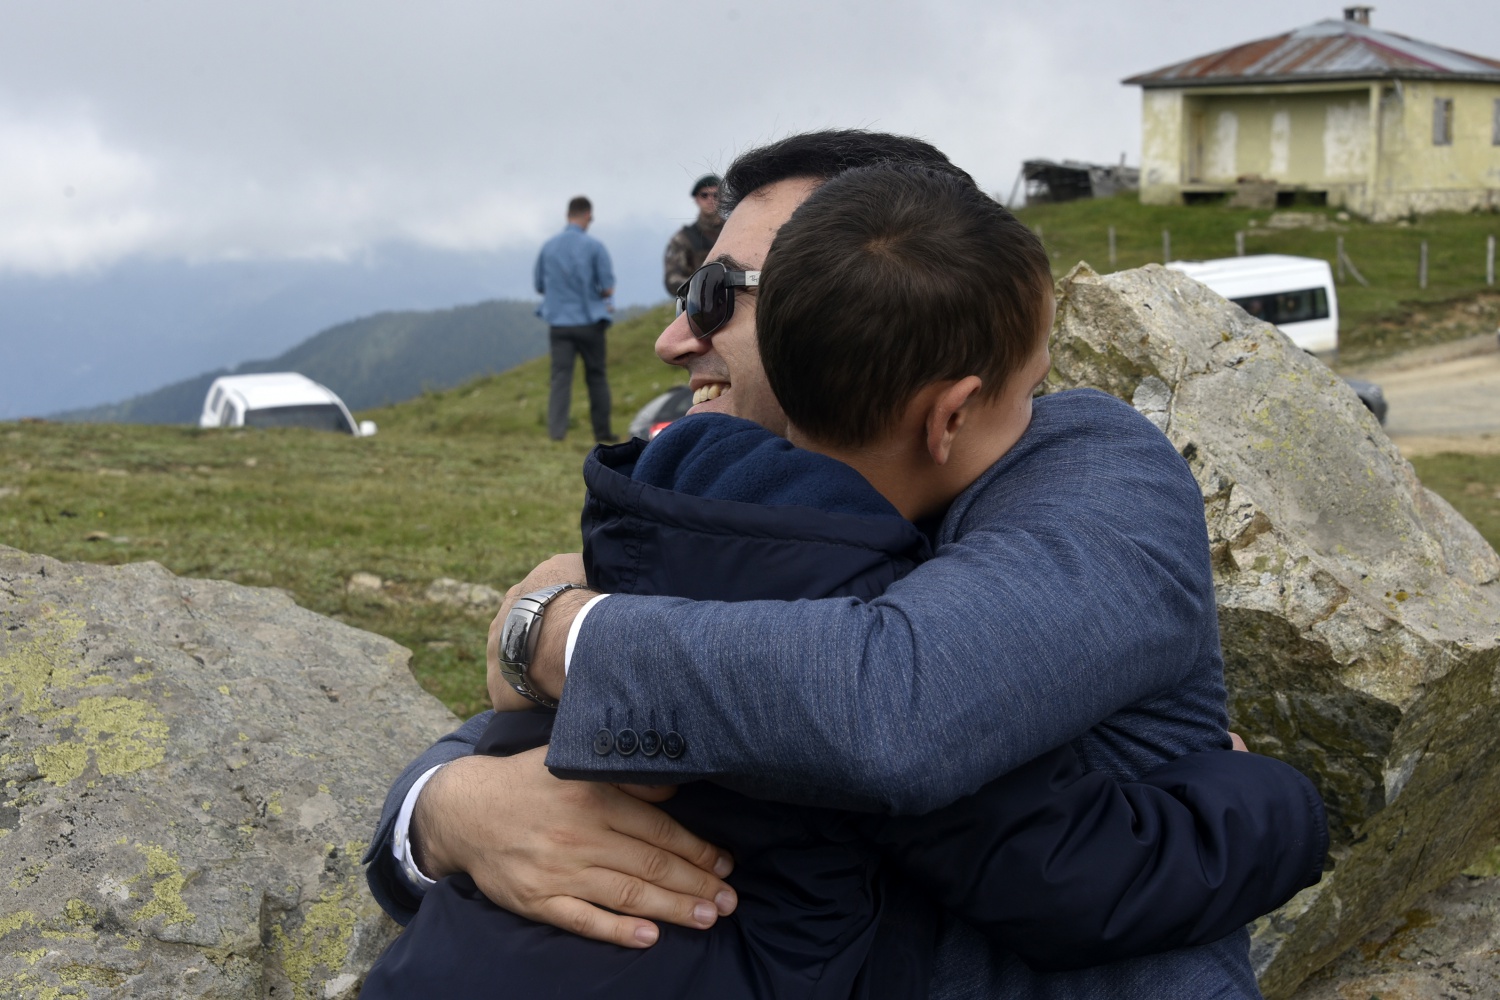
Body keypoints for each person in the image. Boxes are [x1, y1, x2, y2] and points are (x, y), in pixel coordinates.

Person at [359, 165, 1324, 1000]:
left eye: (718, 295)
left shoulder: (1080, 462)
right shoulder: (726, 493)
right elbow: (500, 743)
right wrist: (450, 812)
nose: (673, 339)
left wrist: (553, 636)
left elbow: (892, 705)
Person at [536, 195, 616, 442]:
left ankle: (556, 433)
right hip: (589, 322)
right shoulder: (595, 247)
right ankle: (602, 433)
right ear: (588, 215)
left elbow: (540, 285)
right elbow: (607, 288)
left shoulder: (548, 247)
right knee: (596, 376)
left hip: (559, 323)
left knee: (560, 379)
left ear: (567, 215)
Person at [662, 174, 723, 296]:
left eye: (716, 195)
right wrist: (701, 287)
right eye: (704, 195)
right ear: (696, 199)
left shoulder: (735, 231)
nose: (710, 199)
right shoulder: (683, 239)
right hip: (701, 304)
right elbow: (672, 280)